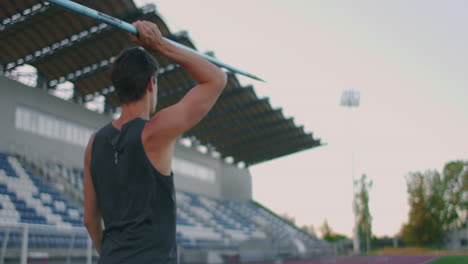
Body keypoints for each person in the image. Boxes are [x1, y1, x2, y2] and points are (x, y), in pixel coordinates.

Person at [83, 20, 227, 263]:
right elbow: (216, 79)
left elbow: (90, 220)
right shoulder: (154, 131)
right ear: (151, 83)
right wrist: (159, 45)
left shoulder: (94, 143)